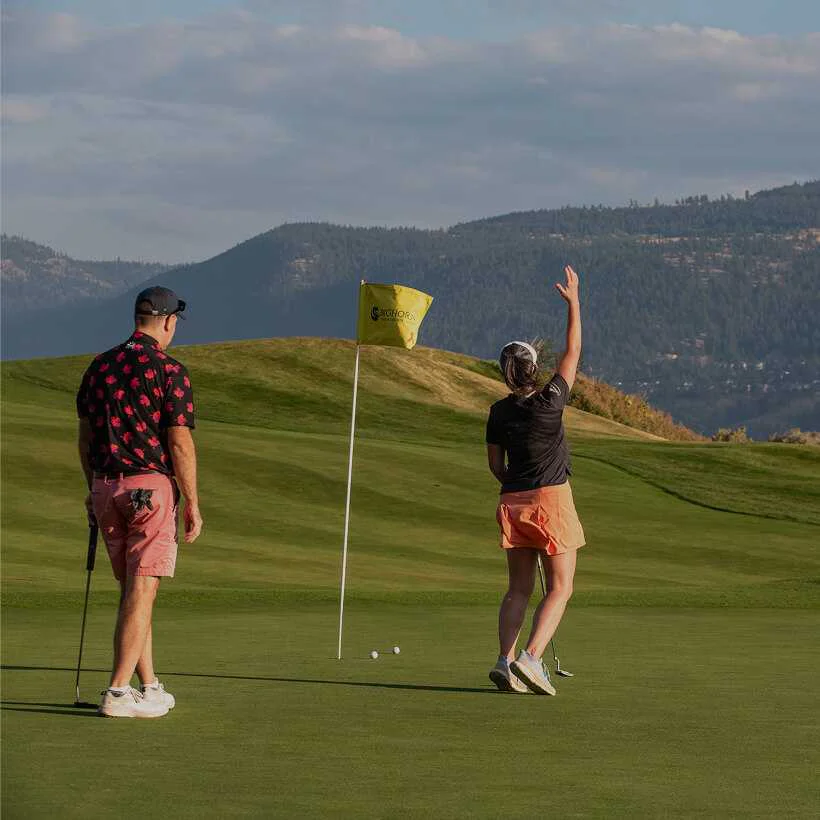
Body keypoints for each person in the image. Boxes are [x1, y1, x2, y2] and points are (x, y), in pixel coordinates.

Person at [76, 286, 203, 718]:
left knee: (135, 590)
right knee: (142, 589)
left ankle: (148, 686)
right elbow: (179, 441)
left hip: (105, 487)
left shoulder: (100, 366)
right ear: (167, 322)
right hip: (150, 489)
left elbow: (86, 437)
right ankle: (116, 691)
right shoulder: (169, 370)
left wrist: (93, 489)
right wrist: (192, 501)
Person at [485, 265, 585, 695]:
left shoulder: (498, 411)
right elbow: (573, 351)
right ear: (533, 368)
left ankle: (505, 661)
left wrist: (515, 482)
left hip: (514, 502)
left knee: (518, 590)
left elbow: (496, 465)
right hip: (551, 500)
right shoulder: (550, 401)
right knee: (561, 587)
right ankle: (531, 660)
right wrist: (574, 302)